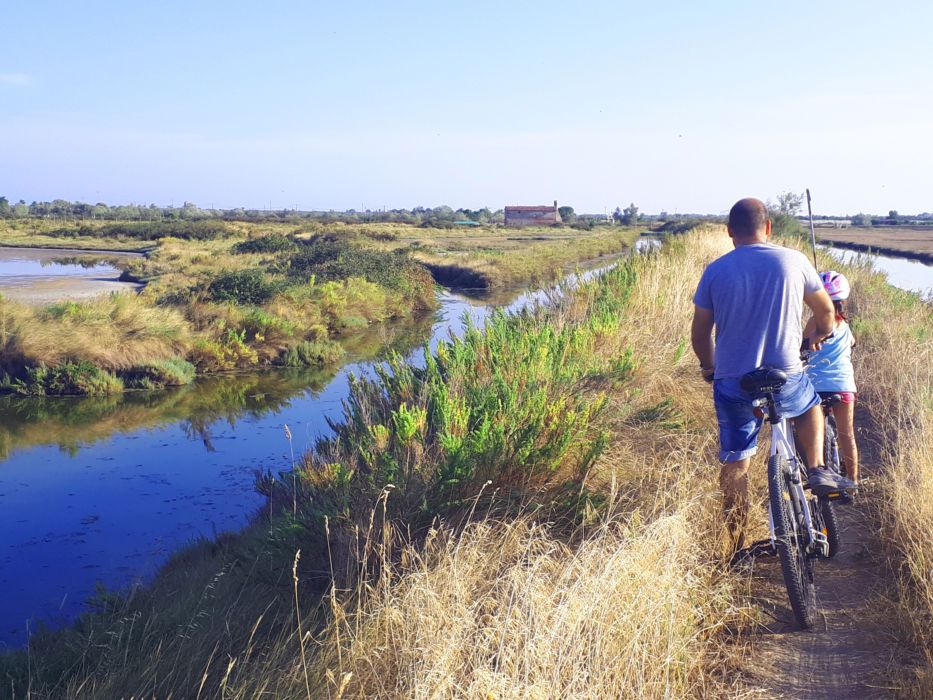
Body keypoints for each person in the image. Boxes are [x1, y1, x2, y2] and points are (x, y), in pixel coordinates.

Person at [691, 197, 857, 553]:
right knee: (810, 405)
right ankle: (816, 468)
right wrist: (816, 336)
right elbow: (825, 311)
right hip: (786, 374)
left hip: (734, 381)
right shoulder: (794, 261)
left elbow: (700, 333)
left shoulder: (715, 271)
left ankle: (736, 546)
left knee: (736, 463)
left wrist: (710, 367)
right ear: (768, 228)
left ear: (730, 232)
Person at [804, 271, 860, 485]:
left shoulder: (812, 323)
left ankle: (813, 471)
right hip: (843, 386)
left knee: (809, 429)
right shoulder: (845, 326)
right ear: (842, 301)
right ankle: (853, 481)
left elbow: (802, 344)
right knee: (847, 434)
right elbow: (853, 343)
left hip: (815, 386)